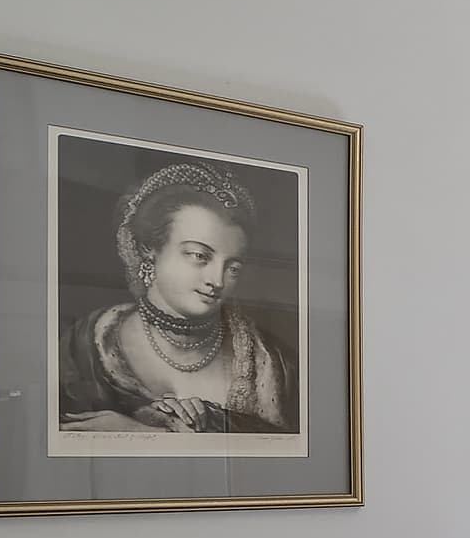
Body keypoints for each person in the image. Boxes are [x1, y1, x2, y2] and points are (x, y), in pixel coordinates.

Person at [59, 160, 298, 436]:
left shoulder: (270, 365)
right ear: (150, 249)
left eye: (233, 268)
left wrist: (147, 434)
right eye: (199, 256)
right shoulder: (88, 343)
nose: (217, 280)